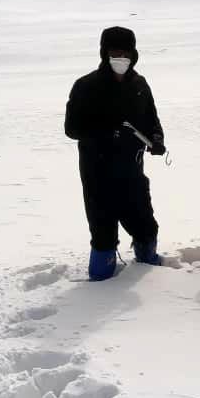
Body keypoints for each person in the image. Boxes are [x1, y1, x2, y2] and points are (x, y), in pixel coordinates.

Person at [65, 26, 167, 281]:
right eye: (115, 53)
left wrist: (156, 139)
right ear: (104, 54)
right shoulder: (86, 86)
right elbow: (71, 128)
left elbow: (151, 119)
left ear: (133, 54)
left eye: (125, 53)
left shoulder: (139, 85)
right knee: (103, 233)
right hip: (97, 173)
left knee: (145, 225)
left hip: (132, 171)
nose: (121, 58)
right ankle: (101, 280)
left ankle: (149, 266)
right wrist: (106, 130)